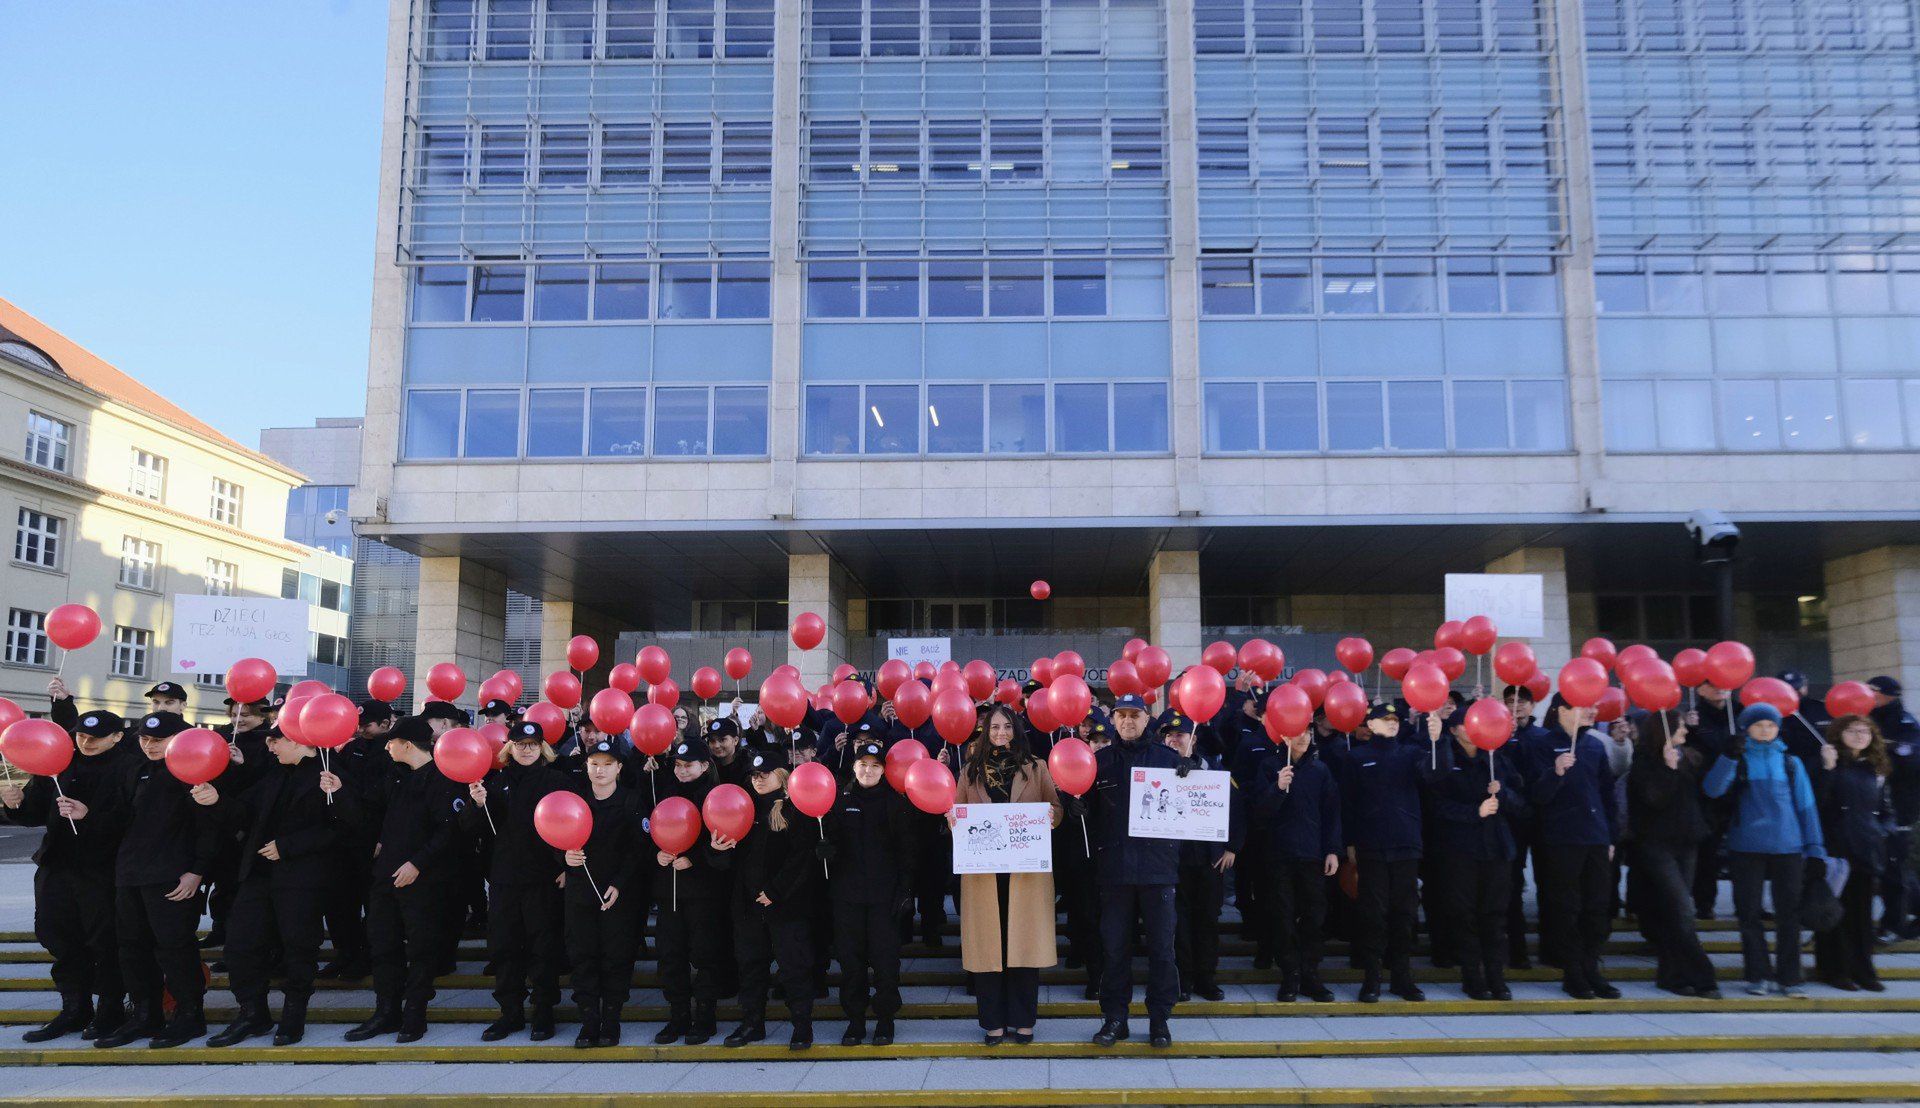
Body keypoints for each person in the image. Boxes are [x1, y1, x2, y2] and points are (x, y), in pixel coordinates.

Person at [194, 725, 340, 1047]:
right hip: (258, 875)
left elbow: (340, 829)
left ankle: (293, 1016)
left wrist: (288, 846)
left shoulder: (329, 775)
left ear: (301, 741)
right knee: (240, 945)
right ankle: (252, 1013)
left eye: (276, 741)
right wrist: (217, 800)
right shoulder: (273, 773)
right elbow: (244, 812)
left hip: (302, 878)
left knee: (298, 948)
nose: (270, 747)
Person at [0, 705, 132, 1042]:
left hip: (103, 869)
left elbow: (135, 821)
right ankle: (74, 1007)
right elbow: (33, 813)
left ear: (117, 737)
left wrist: (90, 815)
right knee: (55, 933)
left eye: (96, 737)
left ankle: (111, 1009)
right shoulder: (60, 760)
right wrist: (13, 804)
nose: (86, 742)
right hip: (58, 865)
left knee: (105, 941)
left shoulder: (129, 766)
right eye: (81, 735)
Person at [338, 714, 464, 1042]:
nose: (387, 748)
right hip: (385, 877)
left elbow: (447, 831)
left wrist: (417, 864)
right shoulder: (395, 777)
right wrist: (339, 789)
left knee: (421, 949)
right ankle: (386, 1011)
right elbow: (370, 811)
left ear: (407, 745)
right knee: (383, 945)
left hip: (423, 881)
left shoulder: (442, 779)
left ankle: (415, 1015)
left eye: (391, 742)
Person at [98, 712, 217, 1049]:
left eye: (158, 739)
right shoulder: (135, 770)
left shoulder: (192, 772)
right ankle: (144, 1014)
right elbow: (121, 819)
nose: (149, 745)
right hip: (131, 874)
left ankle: (189, 1015)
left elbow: (208, 830)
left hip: (172, 876)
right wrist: (86, 815)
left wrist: (197, 871)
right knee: (132, 949)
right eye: (144, 738)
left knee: (175, 947)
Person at [953, 703, 1062, 1045]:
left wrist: (1049, 817)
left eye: (1007, 727)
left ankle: (1024, 1020)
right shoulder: (970, 769)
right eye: (995, 727)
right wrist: (953, 820)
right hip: (985, 874)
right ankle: (993, 1023)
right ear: (987, 732)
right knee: (990, 948)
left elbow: (1055, 807)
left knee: (1023, 947)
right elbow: (957, 809)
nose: (1001, 733)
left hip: (1024, 875)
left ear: (1016, 730)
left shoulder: (1036, 767)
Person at [1703, 702, 1826, 996]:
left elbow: (1807, 808)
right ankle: (1757, 974)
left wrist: (1816, 850)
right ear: (1746, 728)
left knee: (1789, 915)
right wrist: (1728, 758)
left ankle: (1790, 977)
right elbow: (1712, 789)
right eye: (1758, 725)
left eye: (1770, 725)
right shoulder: (1739, 758)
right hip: (1746, 846)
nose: (1765, 730)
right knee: (1748, 914)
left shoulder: (1790, 763)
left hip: (1789, 846)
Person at [1087, 694, 1180, 1048]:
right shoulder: (1098, 763)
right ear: (1113, 719)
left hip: (1158, 871)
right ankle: (1115, 1018)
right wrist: (1079, 806)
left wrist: (1190, 775)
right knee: (1114, 949)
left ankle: (1160, 1020)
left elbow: (1198, 807)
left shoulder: (1170, 761)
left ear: (1147, 717)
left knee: (1162, 950)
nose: (1128, 721)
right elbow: (1091, 818)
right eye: (1122, 715)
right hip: (1114, 872)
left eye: (1135, 715)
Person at [467, 720, 569, 1041]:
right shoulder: (494, 783)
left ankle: (543, 1012)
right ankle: (510, 1013)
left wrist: (567, 865)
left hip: (544, 879)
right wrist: (478, 804)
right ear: (509, 747)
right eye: (521, 745)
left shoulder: (557, 781)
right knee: (505, 948)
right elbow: (471, 829)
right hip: (504, 879)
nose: (527, 750)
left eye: (533, 745)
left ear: (542, 748)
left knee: (543, 946)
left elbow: (573, 823)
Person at [1424, 704, 1529, 1001]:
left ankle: (1497, 978)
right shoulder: (1446, 759)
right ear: (1455, 729)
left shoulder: (1496, 759)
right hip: (1459, 851)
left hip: (1496, 849)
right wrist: (1475, 811)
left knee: (1495, 916)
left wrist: (1503, 793)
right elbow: (1437, 807)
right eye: (1468, 724)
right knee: (1464, 916)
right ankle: (1473, 978)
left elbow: (1523, 805)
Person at [1328, 702, 1431, 1003]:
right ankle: (1372, 978)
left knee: (1404, 914)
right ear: (1370, 725)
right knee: (1373, 915)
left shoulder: (1412, 753)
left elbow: (1433, 776)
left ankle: (1402, 978)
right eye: (1384, 720)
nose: (1392, 723)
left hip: (1405, 844)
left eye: (1395, 719)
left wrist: (1435, 740)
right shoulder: (1356, 757)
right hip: (1371, 846)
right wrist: (1348, 843)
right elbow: (1347, 803)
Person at [719, 749, 820, 1049]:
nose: (758, 778)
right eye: (754, 774)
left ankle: (802, 1026)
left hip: (786, 906)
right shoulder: (741, 807)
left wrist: (775, 891)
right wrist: (717, 849)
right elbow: (729, 860)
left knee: (794, 967)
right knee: (751, 967)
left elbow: (802, 858)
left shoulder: (794, 809)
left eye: (765, 773)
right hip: (748, 905)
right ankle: (752, 1024)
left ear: (782, 775)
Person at [824, 737, 916, 1045]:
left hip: (884, 900)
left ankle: (886, 1019)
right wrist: (824, 851)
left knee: (885, 963)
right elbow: (831, 844)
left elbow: (907, 851)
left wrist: (905, 890)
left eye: (875, 766)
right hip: (847, 898)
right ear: (853, 767)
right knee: (851, 964)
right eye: (863, 765)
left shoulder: (895, 802)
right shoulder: (839, 800)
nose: (868, 771)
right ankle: (855, 1020)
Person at [1529, 694, 1620, 1000]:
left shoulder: (1595, 745)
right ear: (1562, 711)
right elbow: (1536, 796)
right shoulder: (1542, 744)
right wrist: (1554, 772)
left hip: (1595, 838)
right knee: (1567, 908)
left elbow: (1607, 795)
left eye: (1595, 705)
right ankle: (1573, 972)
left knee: (1598, 907)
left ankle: (1592, 968)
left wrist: (1610, 837)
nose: (1593, 711)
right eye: (1584, 706)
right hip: (1562, 839)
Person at [1626, 710, 1720, 998]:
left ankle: (1671, 975)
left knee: (1674, 910)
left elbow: (1705, 790)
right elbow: (1654, 799)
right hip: (1657, 845)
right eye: (1679, 729)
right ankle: (1703, 976)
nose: (1684, 733)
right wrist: (1667, 769)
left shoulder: (1687, 758)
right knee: (1682, 908)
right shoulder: (1643, 762)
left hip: (1687, 841)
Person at [1249, 724, 1340, 1002]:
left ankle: (1311, 974)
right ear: (1285, 735)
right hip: (1279, 855)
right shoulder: (1269, 766)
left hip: (1311, 855)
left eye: (1307, 732)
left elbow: (1331, 813)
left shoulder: (1320, 770)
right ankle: (1290, 974)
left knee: (1314, 916)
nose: (1303, 737)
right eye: (1297, 732)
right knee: (1283, 916)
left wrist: (1332, 850)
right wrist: (1277, 788)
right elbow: (1258, 813)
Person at [564, 738, 646, 1047]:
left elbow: (638, 850)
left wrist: (619, 884)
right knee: (582, 956)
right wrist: (563, 858)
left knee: (616, 957)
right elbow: (551, 835)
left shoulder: (631, 800)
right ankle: (588, 1021)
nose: (600, 770)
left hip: (617, 894)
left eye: (607, 764)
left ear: (619, 768)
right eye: (594, 764)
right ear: (586, 766)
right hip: (579, 893)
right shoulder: (573, 800)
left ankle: (611, 1020)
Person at [653, 738, 732, 1046]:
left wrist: (695, 858)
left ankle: (705, 1016)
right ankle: (678, 1016)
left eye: (689, 765)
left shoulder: (714, 798)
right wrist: (657, 856)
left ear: (704, 766)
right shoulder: (664, 793)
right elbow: (650, 833)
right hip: (670, 889)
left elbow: (724, 841)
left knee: (705, 954)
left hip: (703, 891)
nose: (682, 770)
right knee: (671, 955)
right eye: (678, 765)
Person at [1159, 710, 1240, 1003]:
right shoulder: (1156, 771)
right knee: (1177, 925)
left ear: (1193, 740)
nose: (1173, 740)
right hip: (1172, 862)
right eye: (1168, 735)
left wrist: (1231, 847)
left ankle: (1207, 979)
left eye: (1180, 735)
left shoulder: (1214, 770)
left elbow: (1236, 809)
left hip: (1208, 861)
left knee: (1207, 921)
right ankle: (1184, 980)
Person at [1815, 715, 1895, 992]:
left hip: (1867, 848)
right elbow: (1819, 803)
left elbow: (1886, 810)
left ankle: (1864, 970)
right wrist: (1827, 768)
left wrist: (1882, 830)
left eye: (1866, 732)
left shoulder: (1875, 768)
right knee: (1836, 913)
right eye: (1853, 731)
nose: (1860, 736)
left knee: (1862, 915)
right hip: (1836, 850)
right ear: (1840, 734)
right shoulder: (1830, 762)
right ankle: (1834, 970)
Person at [317, 699, 393, 983]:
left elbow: (391, 801)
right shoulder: (351, 747)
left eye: (367, 725)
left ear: (385, 724)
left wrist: (384, 837)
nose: (361, 729)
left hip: (373, 838)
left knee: (371, 904)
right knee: (340, 903)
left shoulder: (391, 752)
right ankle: (346, 953)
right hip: (345, 835)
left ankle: (369, 956)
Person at [1866, 677, 1920, 940]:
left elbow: (1911, 759)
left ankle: (1893, 924)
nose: (1868, 695)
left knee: (1895, 868)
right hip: (1868, 804)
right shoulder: (1863, 718)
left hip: (1899, 806)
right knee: (1884, 866)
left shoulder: (1904, 722)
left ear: (1889, 695)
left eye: (1873, 692)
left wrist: (1886, 751)